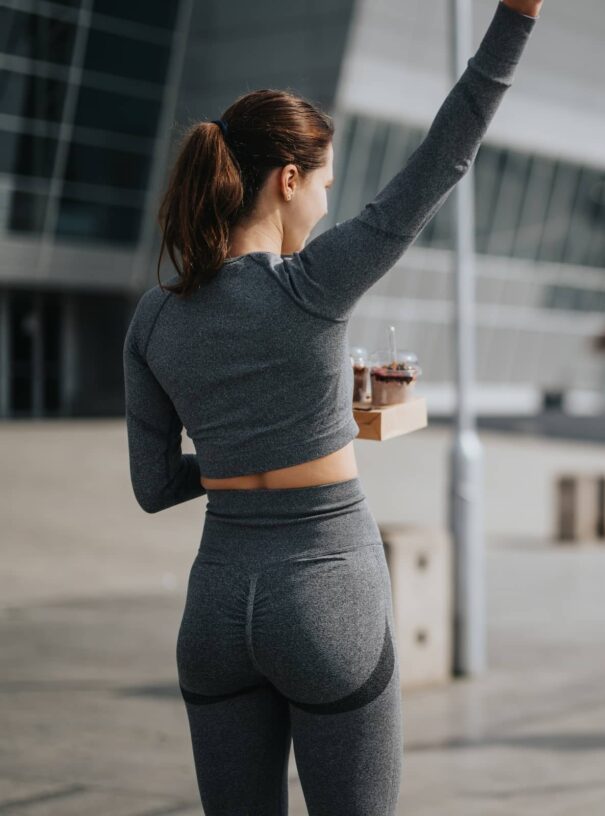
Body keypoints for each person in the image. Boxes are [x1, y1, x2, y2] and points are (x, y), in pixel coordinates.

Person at [122, 3, 540, 811]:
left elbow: (152, 485)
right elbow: (445, 156)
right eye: (323, 184)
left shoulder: (156, 317)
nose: (324, 204)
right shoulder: (313, 284)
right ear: (287, 180)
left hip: (214, 610)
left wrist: (259, 443)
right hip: (326, 598)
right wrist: (518, 17)